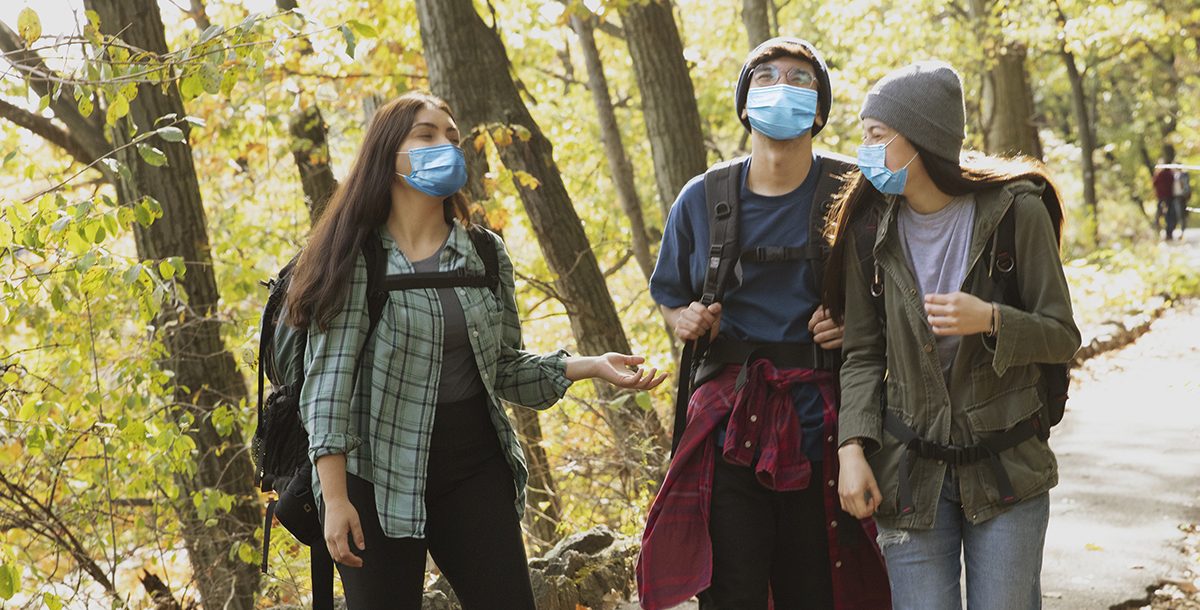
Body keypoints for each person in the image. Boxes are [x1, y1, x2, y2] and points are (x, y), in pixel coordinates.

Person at [285, 91, 666, 610]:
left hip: (474, 467)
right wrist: (334, 499)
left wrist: (590, 367)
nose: (445, 144)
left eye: (452, 136)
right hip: (375, 474)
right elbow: (326, 387)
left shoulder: (485, 252)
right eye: (426, 134)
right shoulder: (359, 258)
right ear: (387, 154)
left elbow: (505, 368)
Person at [637, 37, 890, 610]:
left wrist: (858, 330)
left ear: (820, 110)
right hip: (728, 434)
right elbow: (671, 295)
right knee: (731, 594)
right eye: (767, 77)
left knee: (818, 593)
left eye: (801, 80)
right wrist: (686, 319)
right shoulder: (701, 198)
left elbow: (900, 296)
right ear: (745, 106)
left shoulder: (857, 194)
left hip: (828, 429)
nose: (783, 88)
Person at [824, 61, 1082, 610]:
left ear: (921, 141)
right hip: (909, 472)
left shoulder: (1017, 212)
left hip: (1007, 466)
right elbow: (862, 354)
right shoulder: (870, 225)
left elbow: (1062, 336)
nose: (865, 151)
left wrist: (990, 319)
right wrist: (852, 449)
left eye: (877, 136)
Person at [1154, 146, 1183, 240]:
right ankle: (1167, 233)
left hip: (1163, 197)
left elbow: (1154, 184)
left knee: (1162, 215)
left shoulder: (1160, 174)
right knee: (1169, 215)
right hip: (1168, 197)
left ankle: (1161, 232)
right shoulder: (1170, 174)